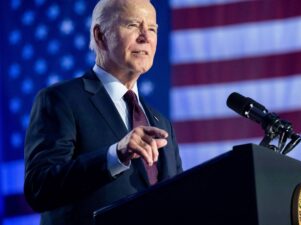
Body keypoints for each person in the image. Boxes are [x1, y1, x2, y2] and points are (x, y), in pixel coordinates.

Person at [23, 0, 183, 224]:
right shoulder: (61, 100)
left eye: (152, 28)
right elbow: (39, 188)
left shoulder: (162, 123)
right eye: (133, 25)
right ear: (100, 35)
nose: (145, 37)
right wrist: (115, 155)